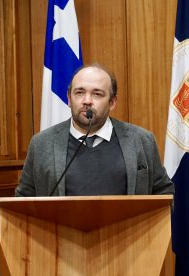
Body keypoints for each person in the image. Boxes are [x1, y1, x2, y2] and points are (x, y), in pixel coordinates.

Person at [15, 63, 174, 196]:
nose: (87, 101)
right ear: (69, 99)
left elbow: (163, 191)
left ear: (112, 103)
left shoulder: (141, 140)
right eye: (80, 92)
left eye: (97, 94)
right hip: (61, 233)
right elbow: (24, 197)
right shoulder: (42, 143)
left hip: (128, 233)